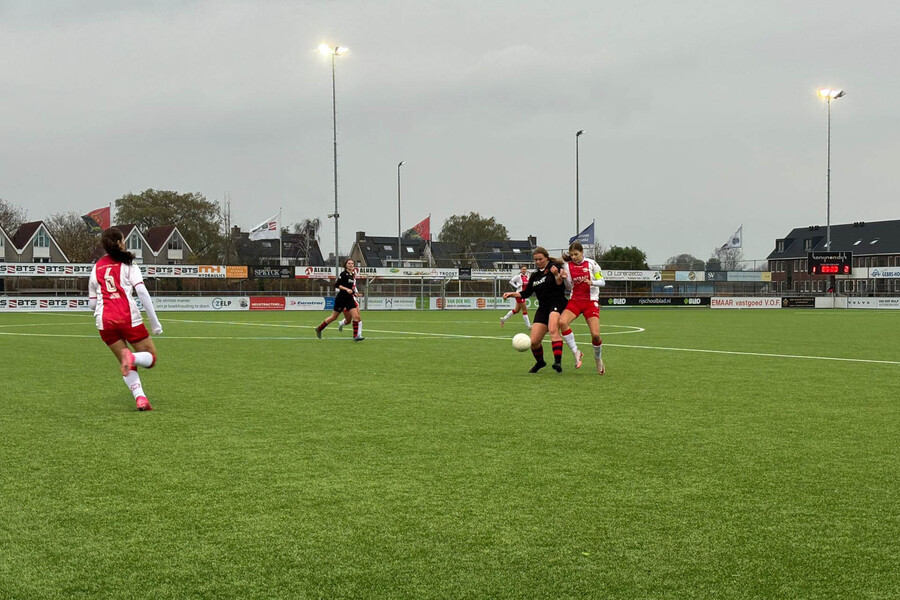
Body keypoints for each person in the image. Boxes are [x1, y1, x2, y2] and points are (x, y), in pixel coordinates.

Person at [88, 227, 163, 411]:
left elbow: (91, 304)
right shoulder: (129, 264)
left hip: (104, 322)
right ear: (120, 243)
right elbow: (142, 292)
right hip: (127, 317)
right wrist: (154, 322)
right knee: (151, 357)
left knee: (125, 362)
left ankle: (141, 399)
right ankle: (131, 357)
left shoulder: (97, 267)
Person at [503, 247, 568, 373]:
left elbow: (561, 284)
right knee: (533, 342)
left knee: (554, 330)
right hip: (543, 307)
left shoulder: (555, 267)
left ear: (546, 258)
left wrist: (555, 274)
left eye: (540, 259)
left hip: (557, 303)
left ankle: (557, 362)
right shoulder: (535, 275)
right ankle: (540, 362)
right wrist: (511, 294)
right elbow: (526, 293)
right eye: (535, 260)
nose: (538, 262)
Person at [559, 241, 607, 374]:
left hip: (590, 301)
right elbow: (569, 287)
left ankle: (598, 359)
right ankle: (576, 352)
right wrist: (564, 279)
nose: (573, 257)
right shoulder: (567, 266)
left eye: (576, 254)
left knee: (596, 335)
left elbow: (602, 282)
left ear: (582, 253)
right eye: (571, 255)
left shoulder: (592, 264)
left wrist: (592, 282)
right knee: (562, 322)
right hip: (575, 300)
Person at [315, 258, 365, 341]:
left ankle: (356, 336)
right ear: (346, 265)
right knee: (334, 317)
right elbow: (337, 285)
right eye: (349, 263)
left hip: (349, 299)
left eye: (352, 263)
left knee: (356, 317)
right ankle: (319, 329)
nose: (351, 265)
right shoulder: (343, 274)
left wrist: (356, 293)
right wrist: (346, 289)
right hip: (341, 299)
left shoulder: (352, 275)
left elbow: (351, 287)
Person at [500, 265, 532, 329]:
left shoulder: (527, 276)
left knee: (516, 310)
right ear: (520, 270)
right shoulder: (518, 277)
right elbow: (511, 281)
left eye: (525, 269)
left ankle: (503, 319)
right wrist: (516, 286)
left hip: (523, 294)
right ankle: (529, 326)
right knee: (525, 310)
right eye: (523, 269)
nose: (524, 270)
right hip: (519, 295)